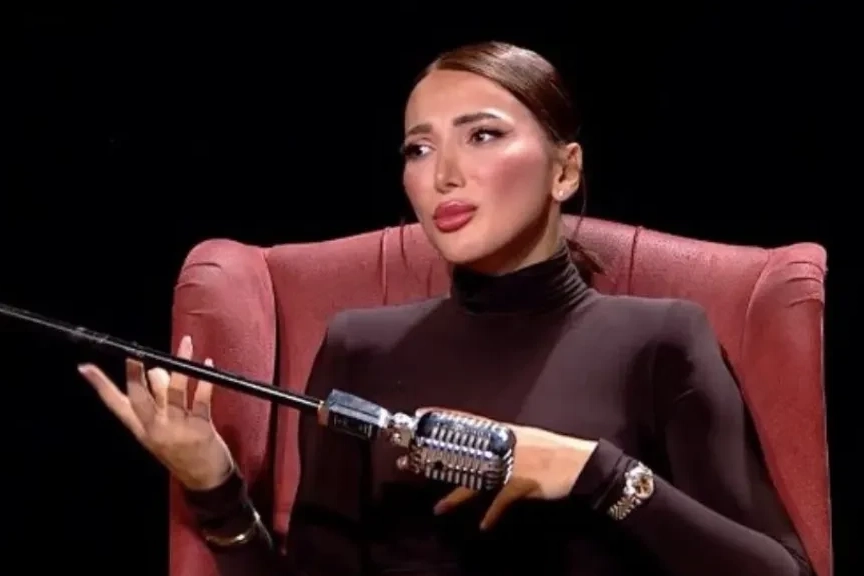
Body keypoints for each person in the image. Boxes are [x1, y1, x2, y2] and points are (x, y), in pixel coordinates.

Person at [78, 41, 815, 575]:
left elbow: (779, 570)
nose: (445, 175)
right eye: (419, 150)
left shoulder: (660, 340)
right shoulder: (360, 348)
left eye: (483, 135)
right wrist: (213, 486)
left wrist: (597, 473)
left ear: (564, 170)